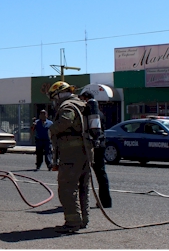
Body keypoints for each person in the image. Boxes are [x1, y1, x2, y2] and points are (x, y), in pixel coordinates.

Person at [47, 81, 93, 233]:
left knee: (67, 188)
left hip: (72, 154)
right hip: (86, 152)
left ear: (59, 94)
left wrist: (51, 129)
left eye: (54, 97)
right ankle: (83, 220)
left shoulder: (67, 106)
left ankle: (72, 222)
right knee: (83, 188)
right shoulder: (82, 104)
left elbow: (66, 121)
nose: (54, 101)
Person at [79, 91, 112, 208]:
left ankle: (82, 201)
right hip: (101, 143)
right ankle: (105, 201)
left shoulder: (87, 111)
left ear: (86, 98)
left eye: (82, 99)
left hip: (91, 145)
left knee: (83, 174)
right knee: (101, 173)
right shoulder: (99, 113)